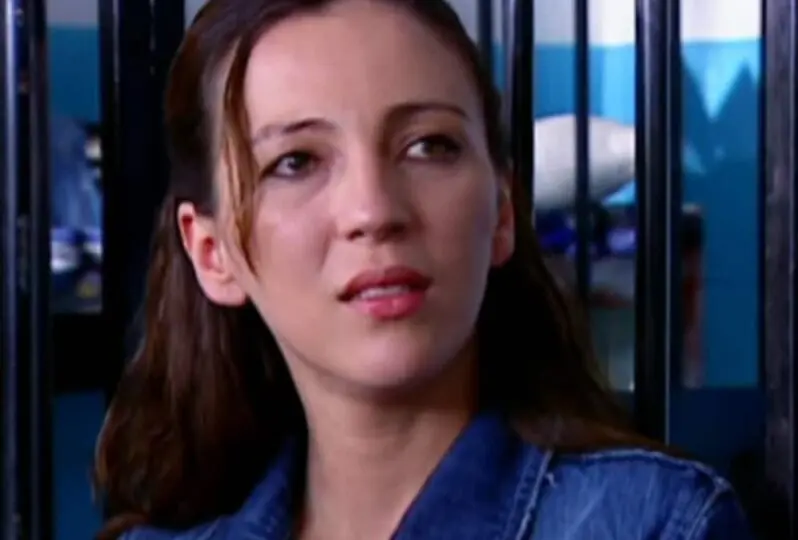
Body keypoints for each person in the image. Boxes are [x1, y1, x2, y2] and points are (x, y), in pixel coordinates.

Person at [94, 1, 753, 538]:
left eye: (428, 146)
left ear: (502, 211)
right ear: (212, 253)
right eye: (295, 162)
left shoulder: (653, 525)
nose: (374, 211)